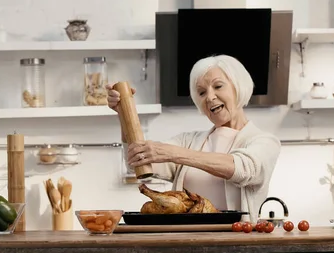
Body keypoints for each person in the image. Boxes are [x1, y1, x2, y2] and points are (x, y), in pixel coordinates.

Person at [106, 54, 281, 223]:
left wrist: (173, 153)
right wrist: (123, 113)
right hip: (186, 242)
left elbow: (243, 168)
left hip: (235, 243)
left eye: (218, 86)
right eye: (202, 92)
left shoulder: (264, 141)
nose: (210, 97)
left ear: (238, 86)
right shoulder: (188, 141)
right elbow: (137, 162)